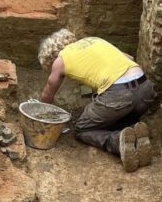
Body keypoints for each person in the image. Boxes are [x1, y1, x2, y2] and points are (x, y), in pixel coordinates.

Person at [37, 29, 155, 172]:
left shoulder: (60, 61)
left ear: (51, 58)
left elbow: (48, 91)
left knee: (82, 129)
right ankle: (134, 131)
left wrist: (40, 114)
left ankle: (117, 142)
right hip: (145, 89)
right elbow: (129, 58)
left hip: (119, 95)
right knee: (116, 116)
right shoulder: (95, 40)